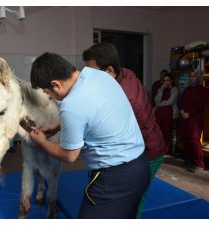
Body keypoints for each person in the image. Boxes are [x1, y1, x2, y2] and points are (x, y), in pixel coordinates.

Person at [29, 52, 150, 218]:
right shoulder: (100, 75)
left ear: (56, 84)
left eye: (47, 92)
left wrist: (42, 141)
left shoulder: (70, 106)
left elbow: (69, 155)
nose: (49, 96)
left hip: (114, 178)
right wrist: (57, 126)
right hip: (141, 166)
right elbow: (96, 110)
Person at [82, 42, 165, 218]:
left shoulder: (125, 97)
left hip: (150, 152)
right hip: (147, 143)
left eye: (93, 73)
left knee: (134, 199)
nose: (88, 78)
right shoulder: (125, 73)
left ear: (110, 70)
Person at [178, 70, 208, 173]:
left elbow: (199, 105)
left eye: (193, 76)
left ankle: (199, 164)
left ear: (198, 78)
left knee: (194, 141)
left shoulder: (203, 90)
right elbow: (181, 102)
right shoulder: (186, 90)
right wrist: (182, 111)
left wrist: (189, 113)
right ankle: (189, 162)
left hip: (195, 121)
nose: (191, 78)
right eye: (190, 76)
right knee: (186, 140)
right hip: (185, 119)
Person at [154, 73, 179, 154]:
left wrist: (159, 104)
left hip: (170, 114)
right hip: (159, 114)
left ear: (171, 81)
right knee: (158, 132)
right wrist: (161, 90)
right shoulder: (160, 89)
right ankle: (158, 149)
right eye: (164, 80)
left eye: (167, 80)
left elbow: (170, 102)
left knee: (167, 133)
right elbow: (156, 100)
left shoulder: (175, 90)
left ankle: (167, 150)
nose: (165, 82)